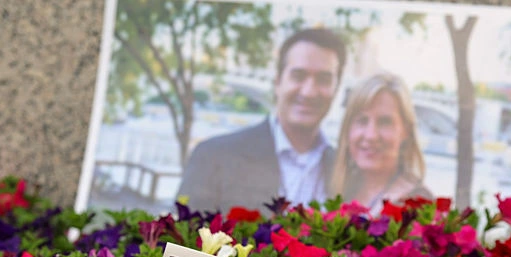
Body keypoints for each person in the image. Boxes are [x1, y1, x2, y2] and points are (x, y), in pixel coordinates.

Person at [177, 28, 346, 212]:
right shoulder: (214, 157)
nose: (309, 92)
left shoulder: (345, 171)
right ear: (277, 82)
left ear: (336, 89)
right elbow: (181, 230)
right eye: (298, 76)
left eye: (323, 79)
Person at [331, 73, 431, 212]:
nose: (371, 135)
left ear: (406, 131)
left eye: (385, 122)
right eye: (362, 121)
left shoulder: (418, 205)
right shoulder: (337, 189)